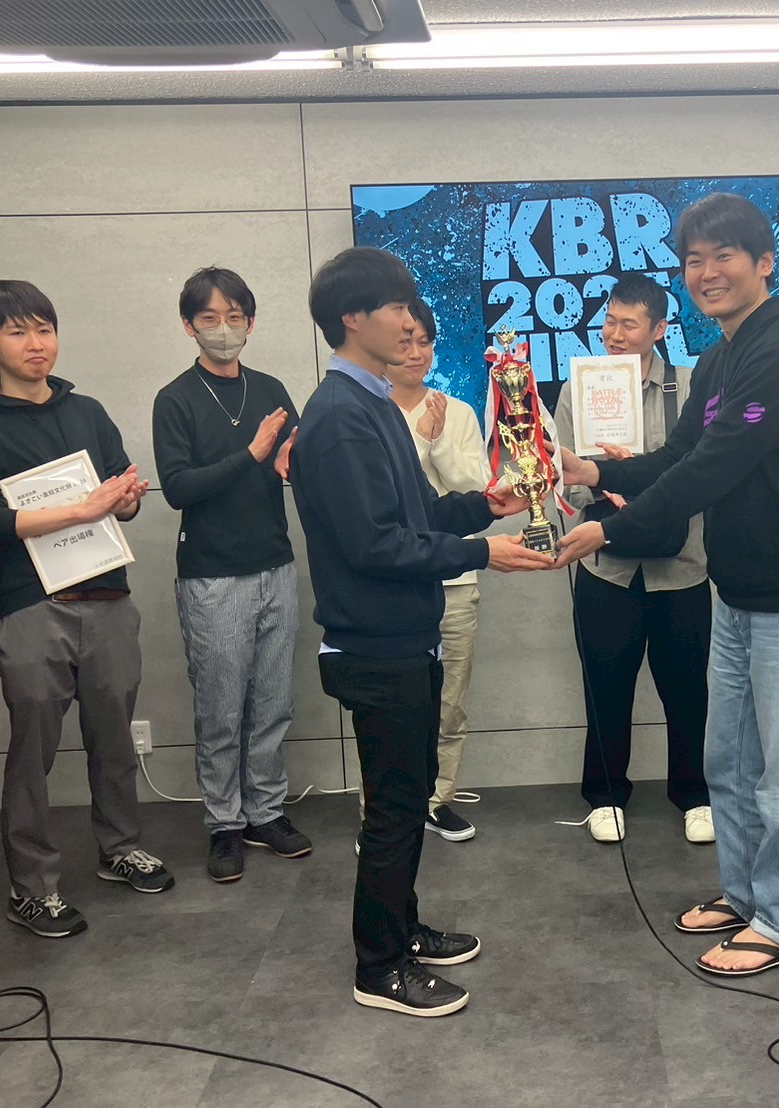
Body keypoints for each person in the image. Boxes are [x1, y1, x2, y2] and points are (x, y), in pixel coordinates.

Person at [556, 193, 779, 978]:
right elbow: (680, 452)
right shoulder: (722, 355)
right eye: (693, 259)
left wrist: (611, 530)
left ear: (764, 262)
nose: (706, 272)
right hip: (738, 588)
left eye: (723, 255)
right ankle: (748, 895)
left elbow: (717, 465)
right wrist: (594, 471)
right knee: (729, 761)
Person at [290, 247, 551, 1016]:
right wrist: (482, 553)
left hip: (405, 637)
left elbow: (410, 518)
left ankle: (402, 929)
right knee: (394, 810)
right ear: (352, 317)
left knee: (403, 804)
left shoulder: (371, 402)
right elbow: (375, 547)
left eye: (411, 307)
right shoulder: (340, 416)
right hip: (376, 646)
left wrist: (483, 507)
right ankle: (379, 967)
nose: (411, 322)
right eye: (397, 307)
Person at [0, 280, 174, 940]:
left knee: (114, 738)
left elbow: (124, 494)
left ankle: (120, 847)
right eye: (17, 332)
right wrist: (84, 508)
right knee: (32, 753)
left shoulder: (87, 411)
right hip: (31, 606)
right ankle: (33, 887)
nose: (36, 343)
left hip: (108, 597)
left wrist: (126, 499)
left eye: (44, 328)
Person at [153, 266, 308, 883]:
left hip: (275, 563)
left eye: (235, 317)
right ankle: (224, 823)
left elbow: (294, 460)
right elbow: (179, 488)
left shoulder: (270, 388)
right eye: (211, 318)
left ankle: (266, 811)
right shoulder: (176, 399)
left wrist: (291, 459)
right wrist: (252, 453)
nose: (224, 329)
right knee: (220, 708)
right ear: (189, 326)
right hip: (212, 576)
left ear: (251, 322)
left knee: (273, 702)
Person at [553, 273, 712, 844]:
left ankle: (695, 795)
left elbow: (705, 469)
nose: (614, 334)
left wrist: (639, 482)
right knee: (606, 686)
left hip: (681, 566)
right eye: (609, 322)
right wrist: (602, 487)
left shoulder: (690, 387)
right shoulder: (578, 389)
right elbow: (564, 478)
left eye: (629, 324)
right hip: (606, 567)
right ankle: (604, 795)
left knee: (688, 690)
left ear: (659, 329)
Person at [384, 299, 489, 843]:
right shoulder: (370, 414)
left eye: (424, 342)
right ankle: (382, 812)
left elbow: (476, 493)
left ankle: (437, 799)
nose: (415, 352)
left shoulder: (460, 412)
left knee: (450, 704)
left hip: (455, 580)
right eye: (405, 341)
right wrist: (419, 442)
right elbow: (395, 503)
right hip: (396, 586)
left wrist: (436, 442)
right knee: (394, 712)